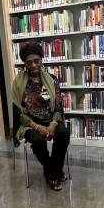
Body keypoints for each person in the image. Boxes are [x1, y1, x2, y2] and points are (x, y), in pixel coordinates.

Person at [12, 41, 70, 191]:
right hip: (30, 123)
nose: (33, 65)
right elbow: (18, 112)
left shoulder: (52, 79)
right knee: (37, 142)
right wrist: (37, 127)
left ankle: (51, 172)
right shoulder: (18, 83)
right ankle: (54, 171)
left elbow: (58, 105)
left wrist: (53, 124)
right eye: (29, 62)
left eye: (36, 61)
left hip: (51, 120)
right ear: (24, 63)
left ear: (41, 60)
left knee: (63, 133)